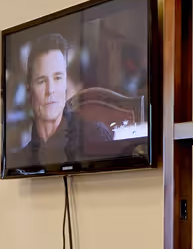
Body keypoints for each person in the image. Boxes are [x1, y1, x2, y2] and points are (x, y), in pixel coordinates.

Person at [9, 32, 115, 171]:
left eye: (58, 78)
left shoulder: (95, 136)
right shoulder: (19, 163)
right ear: (29, 90)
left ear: (66, 83)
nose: (50, 90)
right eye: (41, 81)